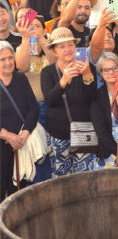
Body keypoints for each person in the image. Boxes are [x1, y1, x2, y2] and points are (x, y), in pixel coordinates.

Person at [41, 27, 97, 177]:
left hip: (84, 131)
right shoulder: (48, 72)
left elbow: (92, 98)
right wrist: (64, 80)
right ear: (54, 51)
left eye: (70, 44)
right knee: (60, 180)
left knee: (84, 178)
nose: (67, 49)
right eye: (61, 46)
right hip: (58, 134)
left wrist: (87, 76)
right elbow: (50, 100)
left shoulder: (87, 67)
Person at [14, 15, 56, 184]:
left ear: (45, 29)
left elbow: (54, 63)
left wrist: (41, 37)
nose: (33, 29)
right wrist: (26, 38)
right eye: (30, 26)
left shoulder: (50, 48)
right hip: (32, 110)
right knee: (37, 151)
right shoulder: (22, 49)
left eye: (37, 26)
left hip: (52, 107)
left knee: (51, 150)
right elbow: (22, 67)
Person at [0, 41, 38, 201]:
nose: (8, 62)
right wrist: (6, 134)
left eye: (10, 58)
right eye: (2, 59)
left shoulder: (21, 78)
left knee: (18, 190)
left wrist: (24, 134)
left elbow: (34, 108)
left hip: (20, 146)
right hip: (1, 146)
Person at [91, 52, 118, 169]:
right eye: (106, 70)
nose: (111, 72)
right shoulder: (97, 97)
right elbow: (101, 131)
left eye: (115, 68)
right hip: (108, 153)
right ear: (101, 73)